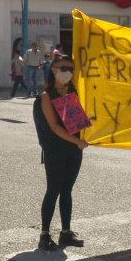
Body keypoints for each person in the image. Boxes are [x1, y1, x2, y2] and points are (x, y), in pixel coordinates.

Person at [35, 54, 88, 250]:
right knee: (53, 190)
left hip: (73, 151)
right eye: (63, 67)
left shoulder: (72, 92)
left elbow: (78, 121)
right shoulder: (46, 96)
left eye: (71, 68)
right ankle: (44, 234)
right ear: (53, 69)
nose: (67, 71)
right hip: (55, 151)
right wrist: (78, 141)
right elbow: (55, 128)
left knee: (67, 190)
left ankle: (66, 232)